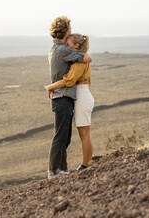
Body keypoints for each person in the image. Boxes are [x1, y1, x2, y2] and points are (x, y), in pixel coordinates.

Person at [47, 16, 92, 179]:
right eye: (70, 30)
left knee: (64, 135)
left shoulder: (53, 49)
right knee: (61, 135)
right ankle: (53, 170)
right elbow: (86, 57)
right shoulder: (64, 50)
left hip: (61, 96)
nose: (71, 32)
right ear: (66, 31)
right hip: (63, 96)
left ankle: (61, 169)